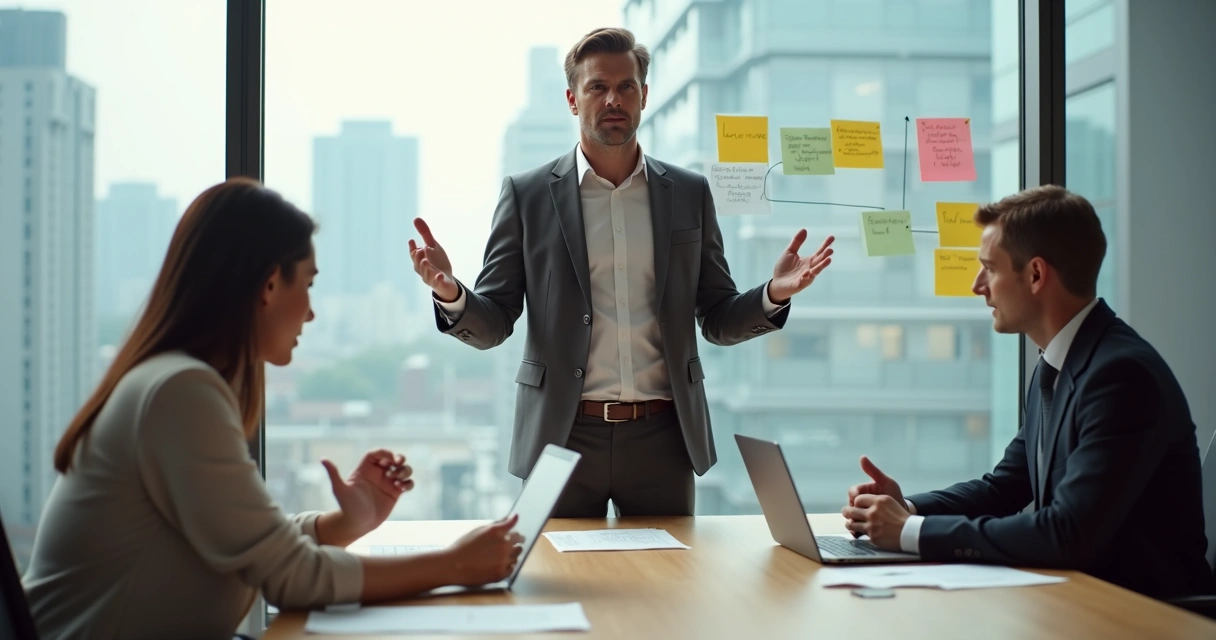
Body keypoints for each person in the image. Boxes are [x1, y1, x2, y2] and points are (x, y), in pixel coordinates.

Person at [22, 178, 525, 640]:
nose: (310, 310)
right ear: (267, 286)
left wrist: (344, 523)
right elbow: (292, 580)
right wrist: (454, 566)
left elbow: (253, 542)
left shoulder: (178, 382)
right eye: (305, 284)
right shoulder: (179, 393)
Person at [408, 27, 835, 518]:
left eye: (626, 86)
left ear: (644, 95)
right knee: (560, 581)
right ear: (573, 99)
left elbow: (716, 317)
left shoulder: (689, 193)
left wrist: (773, 294)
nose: (613, 99)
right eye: (597, 87)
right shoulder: (527, 196)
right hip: (561, 435)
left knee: (666, 586)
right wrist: (452, 294)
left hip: (663, 438)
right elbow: (496, 321)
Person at [842, 185, 1213, 599]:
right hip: (1079, 603)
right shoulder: (1057, 365)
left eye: (990, 268)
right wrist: (907, 509)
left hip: (1146, 615)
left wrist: (910, 532)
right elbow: (1003, 488)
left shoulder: (1121, 377)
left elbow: (1066, 531)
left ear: (1036, 274)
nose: (977, 285)